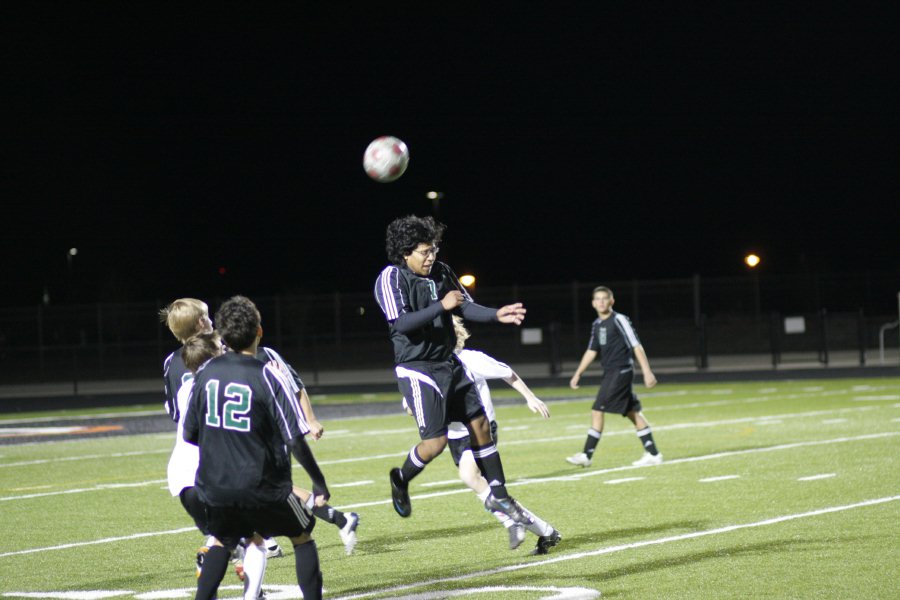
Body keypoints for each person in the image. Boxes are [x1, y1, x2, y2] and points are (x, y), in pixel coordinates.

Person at [160, 298, 359, 556]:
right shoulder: (222, 349)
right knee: (264, 492)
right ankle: (330, 522)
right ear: (200, 322)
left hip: (211, 441)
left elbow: (178, 413)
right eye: (207, 316)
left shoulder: (176, 361)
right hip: (228, 438)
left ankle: (244, 553)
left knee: (258, 497)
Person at [373, 214, 532, 524]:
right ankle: (401, 479)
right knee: (435, 443)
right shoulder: (391, 277)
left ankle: (499, 494)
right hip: (417, 369)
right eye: (424, 251)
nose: (431, 257)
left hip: (448, 361)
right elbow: (402, 323)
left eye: (433, 250)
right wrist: (440, 306)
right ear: (405, 252)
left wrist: (496, 314)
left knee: (481, 426)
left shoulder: (442, 272)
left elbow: (465, 306)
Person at [183, 295, 327, 600]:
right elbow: (294, 439)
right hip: (262, 486)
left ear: (221, 334)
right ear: (258, 331)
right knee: (302, 535)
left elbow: (191, 434)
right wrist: (318, 481)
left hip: (216, 486)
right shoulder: (266, 372)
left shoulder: (205, 373)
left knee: (222, 540)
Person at [447, 316, 561, 555]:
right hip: (455, 436)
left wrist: (530, 397)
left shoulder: (469, 358)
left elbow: (506, 372)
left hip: (481, 429)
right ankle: (546, 531)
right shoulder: (429, 366)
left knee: (469, 476)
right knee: (490, 491)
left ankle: (511, 522)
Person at [169, 331, 267, 600]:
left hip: (181, 480)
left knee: (223, 540)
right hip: (212, 477)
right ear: (213, 356)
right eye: (221, 347)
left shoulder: (186, 386)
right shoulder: (221, 382)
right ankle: (252, 596)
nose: (225, 350)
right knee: (256, 538)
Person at [566, 286, 662, 468]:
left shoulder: (619, 319)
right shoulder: (597, 324)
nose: (601, 302)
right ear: (593, 303)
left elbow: (636, 345)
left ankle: (586, 455)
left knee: (597, 410)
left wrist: (647, 371)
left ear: (612, 301)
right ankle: (653, 453)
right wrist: (578, 373)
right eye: (598, 299)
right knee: (633, 413)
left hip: (621, 371)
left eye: (605, 298)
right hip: (610, 372)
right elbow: (591, 351)